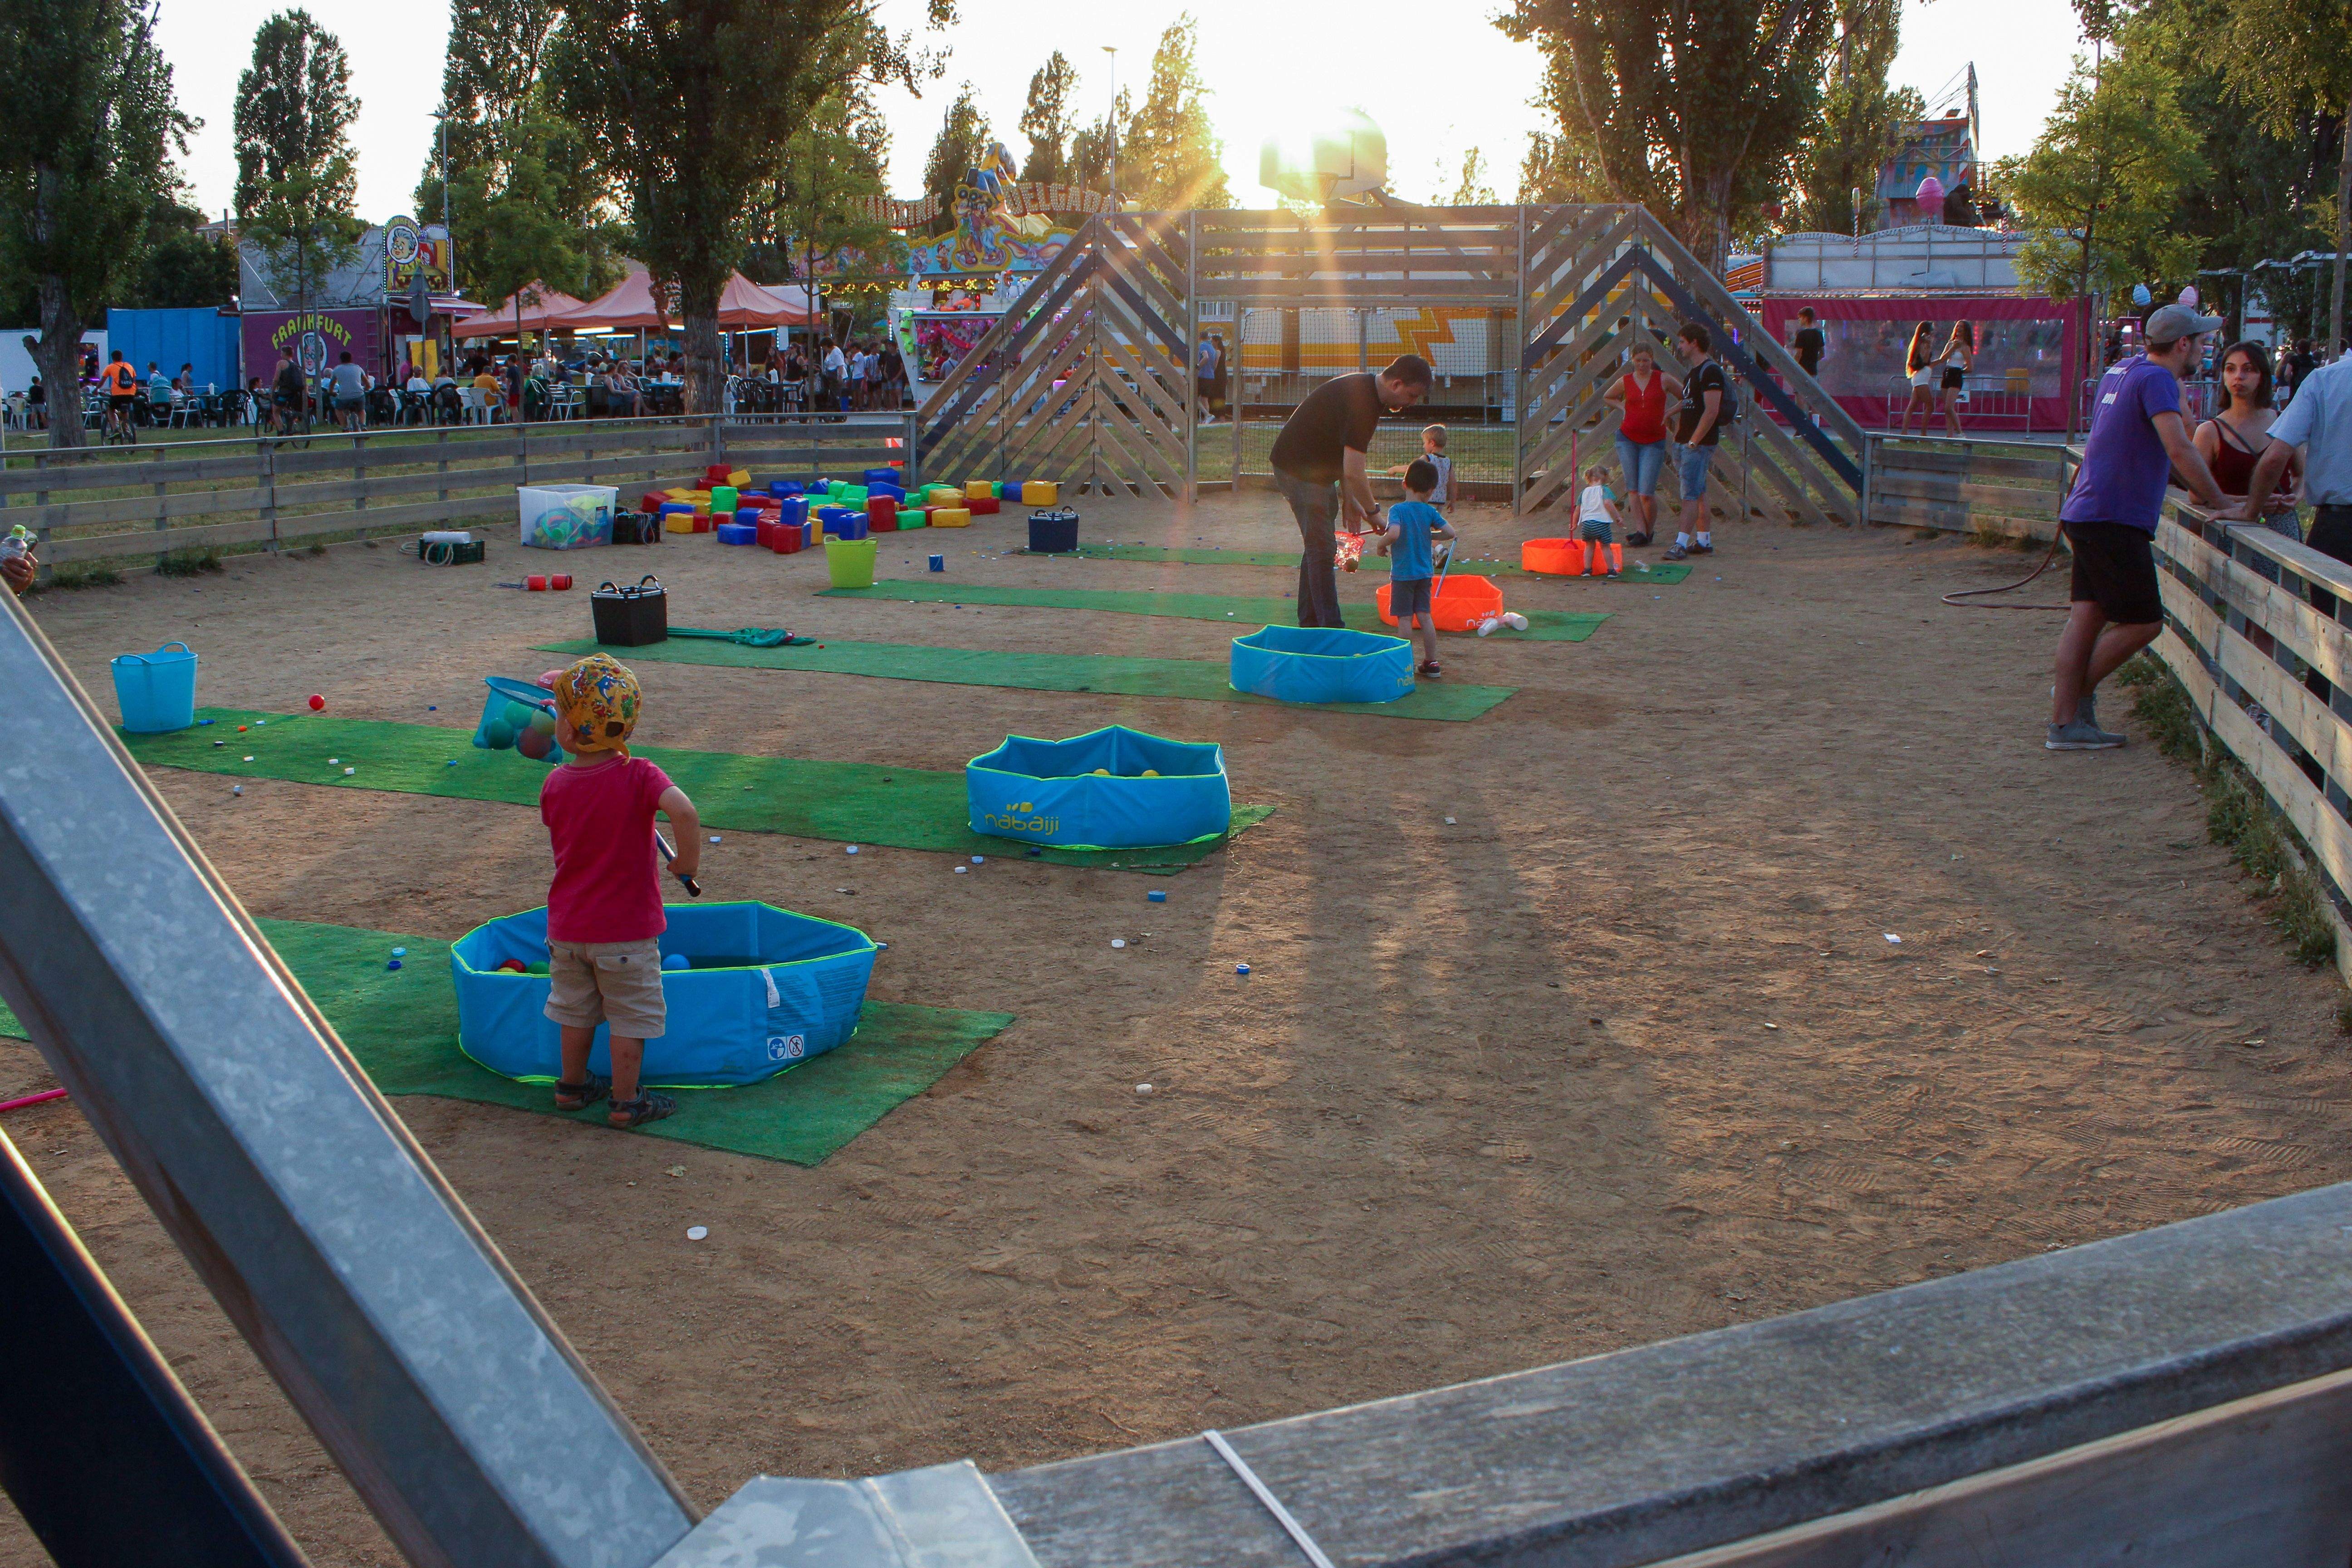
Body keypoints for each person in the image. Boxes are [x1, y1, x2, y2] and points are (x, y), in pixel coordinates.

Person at [2051, 302, 2230, 750]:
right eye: (2202, 343)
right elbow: (2181, 449)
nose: (2205, 352)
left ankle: (2065, 723)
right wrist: (2222, 501)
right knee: (2146, 622)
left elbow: (2133, 442)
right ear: (2183, 344)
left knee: (2087, 616)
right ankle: (2072, 700)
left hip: (2088, 510)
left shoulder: (2123, 369)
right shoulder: (2157, 379)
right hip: (2115, 517)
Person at [539, 653, 701, 1131]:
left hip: (568, 931)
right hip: (626, 934)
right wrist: (685, 863)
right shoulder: (642, 776)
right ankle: (626, 1101)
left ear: (569, 731)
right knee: (631, 1016)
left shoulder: (555, 783)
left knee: (575, 1010)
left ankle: (571, 1087)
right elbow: (685, 813)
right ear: (625, 730)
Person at [1268, 354, 1435, 627]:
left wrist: (1349, 500)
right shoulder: (1365, 403)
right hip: (1296, 469)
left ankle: (1310, 623)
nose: (1412, 403)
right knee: (1321, 545)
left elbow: (1346, 455)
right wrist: (1374, 514)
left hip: (1318, 471)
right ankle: (1331, 628)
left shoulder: (1369, 393)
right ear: (1397, 384)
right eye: (1412, 395)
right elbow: (1354, 471)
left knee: (1319, 543)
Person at [2235, 326, 2352, 610]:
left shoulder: (2326, 380)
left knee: (2333, 633)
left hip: (2339, 531)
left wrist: (2251, 512)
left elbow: (2275, 457)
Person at [2197, 341, 2301, 544]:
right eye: (2230, 369)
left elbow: (2301, 475)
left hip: (2281, 532)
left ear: (2262, 375)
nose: (2238, 377)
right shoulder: (2209, 431)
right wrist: (2253, 503)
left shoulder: (2284, 422)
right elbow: (2196, 494)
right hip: (2231, 530)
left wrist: (2295, 497)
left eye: (2248, 369)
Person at [1375, 458, 1455, 678]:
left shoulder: (1397, 510)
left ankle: (1404, 665)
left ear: (1404, 484)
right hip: (1424, 573)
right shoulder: (1429, 512)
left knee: (1404, 619)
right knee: (1425, 616)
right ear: (1431, 491)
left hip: (1403, 575)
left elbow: (1394, 534)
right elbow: (1450, 533)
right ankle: (1432, 662)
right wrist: (1429, 534)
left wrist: (1381, 545)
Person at [1603, 343, 1678, 545]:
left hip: (1654, 440)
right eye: (1638, 360)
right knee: (1633, 489)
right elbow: (1608, 396)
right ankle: (1640, 531)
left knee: (1646, 492)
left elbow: (1686, 397)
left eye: (1646, 360)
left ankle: (1649, 530)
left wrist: (1670, 413)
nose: (1642, 364)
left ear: (1652, 359)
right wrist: (1623, 407)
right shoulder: (1626, 381)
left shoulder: (1663, 379)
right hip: (1627, 438)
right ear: (1632, 360)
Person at [1666, 321, 1728, 561]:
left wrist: (1694, 441)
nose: (1680, 346)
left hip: (1698, 444)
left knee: (1689, 494)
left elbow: (1711, 411)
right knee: (1699, 492)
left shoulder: (1711, 371)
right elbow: (1690, 404)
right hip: (1685, 441)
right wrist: (1671, 415)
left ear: (1694, 343)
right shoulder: (1694, 372)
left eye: (1682, 342)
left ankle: (1680, 543)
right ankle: (1703, 540)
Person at [1384, 425, 1452, 509]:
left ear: (1432, 443)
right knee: (1434, 520)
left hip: (1428, 498)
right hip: (1441, 500)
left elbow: (1411, 468)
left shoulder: (1427, 458)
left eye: (1425, 443)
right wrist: (1453, 500)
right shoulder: (1448, 461)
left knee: (1425, 520)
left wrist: (1394, 469)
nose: (1424, 446)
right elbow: (1453, 482)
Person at [1575, 464, 1624, 578]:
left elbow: (1577, 509)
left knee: (1589, 547)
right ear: (1604, 478)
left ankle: (1587, 570)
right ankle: (1611, 571)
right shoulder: (1604, 490)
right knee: (1606, 547)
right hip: (1601, 523)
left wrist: (1574, 524)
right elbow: (1608, 503)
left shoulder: (1584, 492)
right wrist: (1618, 517)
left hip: (1587, 524)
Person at [1934, 321, 1974, 436]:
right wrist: (1953, 348)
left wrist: (1961, 371)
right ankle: (1949, 436)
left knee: (1948, 407)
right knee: (1947, 410)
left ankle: (1960, 433)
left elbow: (1970, 367)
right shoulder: (1950, 344)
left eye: (1962, 327)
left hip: (1956, 374)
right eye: (1958, 327)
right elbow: (1943, 359)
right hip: (1947, 373)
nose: (1959, 329)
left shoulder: (1965, 347)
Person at [1897, 321, 1937, 434]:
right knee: (1930, 406)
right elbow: (1924, 360)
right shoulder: (1923, 343)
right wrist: (1929, 345)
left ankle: (1904, 433)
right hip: (1921, 379)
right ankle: (1923, 434)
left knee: (1912, 406)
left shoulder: (1920, 343)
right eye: (1931, 330)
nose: (1933, 332)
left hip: (1921, 378)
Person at [98, 349, 139, 438]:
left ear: (112, 358)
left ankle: (116, 430)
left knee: (110, 409)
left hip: (117, 395)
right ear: (122, 357)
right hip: (131, 394)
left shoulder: (110, 367)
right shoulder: (129, 366)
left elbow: (102, 382)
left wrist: (96, 389)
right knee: (125, 410)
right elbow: (134, 380)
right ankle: (127, 428)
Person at [329, 350, 366, 432]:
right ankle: (363, 425)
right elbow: (367, 383)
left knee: (338, 409)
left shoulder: (337, 369)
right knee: (361, 410)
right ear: (351, 359)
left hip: (344, 396)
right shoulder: (358, 368)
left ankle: (345, 427)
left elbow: (332, 384)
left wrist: (331, 392)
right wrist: (366, 388)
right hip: (359, 395)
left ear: (341, 360)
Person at [1790, 307, 1826, 379]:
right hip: (1813, 371)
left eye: (1800, 318)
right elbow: (1822, 354)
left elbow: (1799, 354)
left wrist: (1793, 366)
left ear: (1806, 318)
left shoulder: (1801, 335)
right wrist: (1813, 361)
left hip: (1801, 371)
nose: (1799, 320)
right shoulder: (1819, 334)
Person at [1196, 332, 1218, 423]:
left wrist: (1198, 367)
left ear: (1199, 337)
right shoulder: (1213, 349)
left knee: (1193, 398)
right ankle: (1207, 420)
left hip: (1203, 376)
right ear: (1208, 337)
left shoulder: (1203, 346)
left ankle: (1207, 415)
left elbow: (1206, 357)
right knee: (1205, 399)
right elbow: (1215, 366)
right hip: (1211, 376)